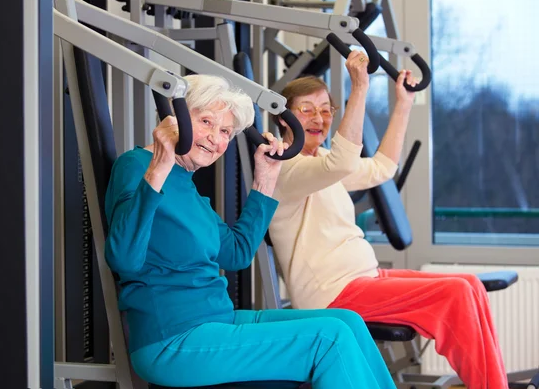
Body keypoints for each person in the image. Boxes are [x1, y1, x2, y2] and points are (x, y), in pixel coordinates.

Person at [104, 74, 397, 389]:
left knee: (347, 321)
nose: (216, 139)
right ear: (175, 119)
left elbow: (236, 253)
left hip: (218, 321)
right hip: (172, 340)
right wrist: (158, 168)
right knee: (329, 338)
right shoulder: (136, 166)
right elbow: (124, 259)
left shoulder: (188, 188)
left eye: (226, 131)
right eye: (206, 122)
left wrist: (265, 180)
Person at [268, 51, 508, 389]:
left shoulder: (321, 160)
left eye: (325, 109)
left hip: (364, 279)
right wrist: (361, 87)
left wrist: (404, 103)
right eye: (306, 109)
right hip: (333, 294)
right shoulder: (284, 168)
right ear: (283, 119)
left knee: (469, 283)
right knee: (455, 293)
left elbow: (382, 167)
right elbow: (340, 163)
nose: (318, 117)